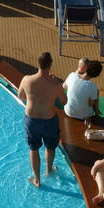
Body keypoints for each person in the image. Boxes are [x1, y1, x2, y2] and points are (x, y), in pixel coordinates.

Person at [18, 52, 66, 188]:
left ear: (38, 64)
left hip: (32, 120)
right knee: (50, 146)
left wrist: (34, 97)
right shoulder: (55, 83)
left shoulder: (27, 80)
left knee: (33, 148)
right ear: (50, 65)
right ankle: (49, 170)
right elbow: (64, 101)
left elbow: (21, 95)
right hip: (49, 120)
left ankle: (37, 180)